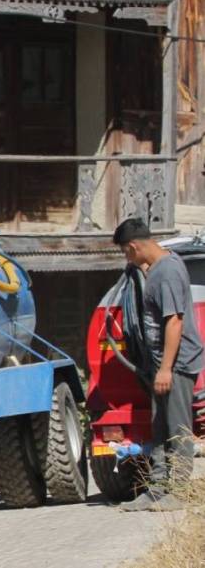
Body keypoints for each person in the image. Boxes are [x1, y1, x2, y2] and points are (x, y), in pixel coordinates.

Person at [113, 218, 202, 511]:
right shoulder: (157, 270)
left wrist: (165, 368)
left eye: (126, 253)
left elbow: (174, 321)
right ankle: (157, 490)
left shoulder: (166, 273)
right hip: (159, 365)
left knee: (177, 427)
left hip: (175, 366)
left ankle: (178, 492)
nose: (127, 258)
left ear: (134, 246)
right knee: (160, 428)